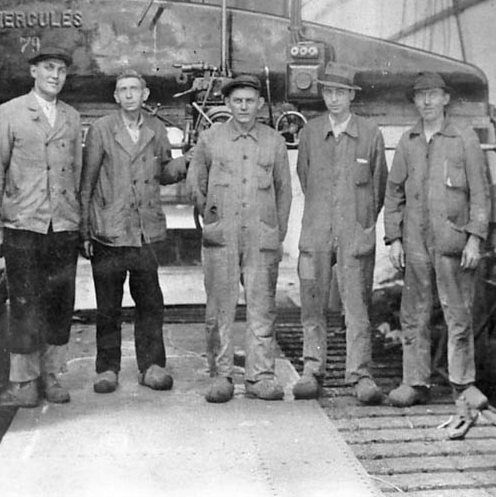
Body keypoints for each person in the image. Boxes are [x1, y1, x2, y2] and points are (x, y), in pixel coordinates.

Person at [383, 72, 490, 434]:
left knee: (457, 312)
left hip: (452, 242)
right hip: (415, 242)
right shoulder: (408, 141)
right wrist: (394, 239)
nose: (427, 101)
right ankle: (415, 382)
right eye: (420, 96)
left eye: (433, 95)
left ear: (446, 99)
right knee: (413, 313)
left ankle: (463, 384)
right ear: (415, 102)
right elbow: (394, 193)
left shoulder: (464, 138)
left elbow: (480, 193)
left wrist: (475, 238)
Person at [79, 69, 189, 394]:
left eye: (134, 89)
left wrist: (187, 162)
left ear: (145, 94)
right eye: (123, 90)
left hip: (144, 232)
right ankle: (107, 369)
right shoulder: (101, 129)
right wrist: (84, 231)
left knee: (150, 302)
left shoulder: (157, 129)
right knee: (108, 305)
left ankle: (151, 366)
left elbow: (164, 173)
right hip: (108, 230)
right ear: (116, 96)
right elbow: (86, 182)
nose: (129, 95)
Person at [0, 46, 82, 407]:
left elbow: (77, 171)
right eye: (48, 68)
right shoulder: (9, 112)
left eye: (61, 70)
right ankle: (24, 381)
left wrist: (77, 219)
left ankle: (51, 375)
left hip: (63, 224)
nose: (55, 75)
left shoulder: (71, 117)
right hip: (23, 222)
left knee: (60, 302)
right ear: (33, 72)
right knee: (24, 302)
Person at [188, 75, 292, 403]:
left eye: (249, 101)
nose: (244, 107)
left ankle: (260, 376)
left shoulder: (274, 141)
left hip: (261, 238)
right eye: (237, 101)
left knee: (262, 308)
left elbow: (284, 191)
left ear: (260, 104)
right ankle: (221, 375)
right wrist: (215, 219)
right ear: (227, 104)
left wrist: (275, 233)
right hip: (223, 237)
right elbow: (196, 185)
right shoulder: (210, 139)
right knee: (219, 309)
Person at [292, 62, 387, 403]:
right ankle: (312, 370)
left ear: (351, 96)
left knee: (357, 308)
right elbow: (305, 177)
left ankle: (359, 375)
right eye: (328, 92)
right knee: (312, 304)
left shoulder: (370, 134)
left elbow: (378, 188)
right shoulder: (310, 133)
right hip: (315, 233)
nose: (334, 99)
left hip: (354, 234)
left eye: (340, 93)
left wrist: (359, 223)